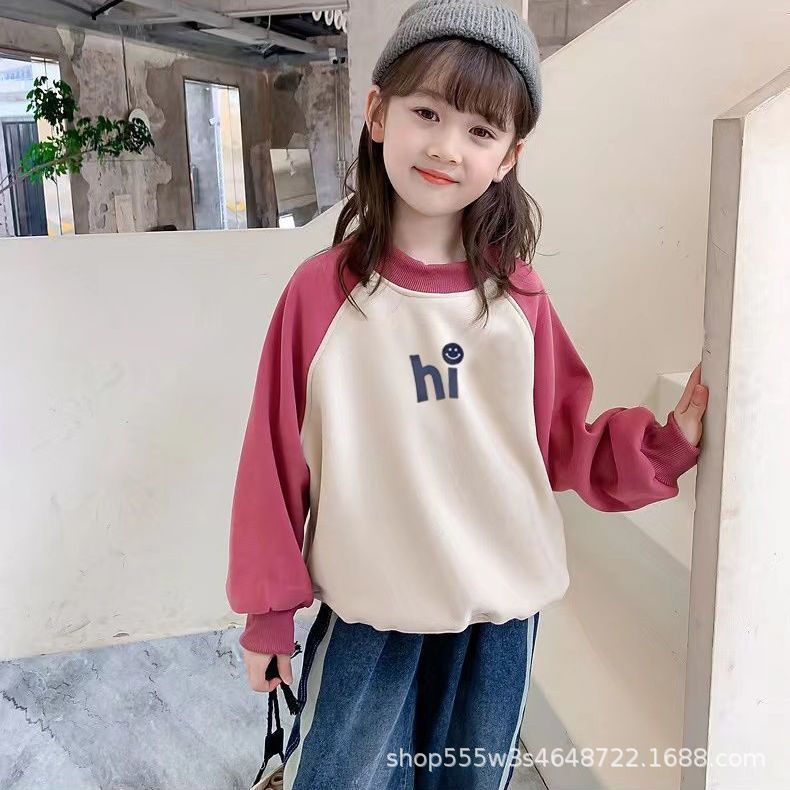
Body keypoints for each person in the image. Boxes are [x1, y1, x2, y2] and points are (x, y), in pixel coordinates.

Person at [226, 1, 709, 788]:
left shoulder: (519, 300)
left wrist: (662, 448)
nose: (447, 147)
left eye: (480, 130)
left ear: (509, 156)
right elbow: (274, 464)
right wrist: (268, 612)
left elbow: (563, 439)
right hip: (371, 614)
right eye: (427, 112)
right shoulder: (321, 297)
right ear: (378, 113)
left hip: (499, 619)